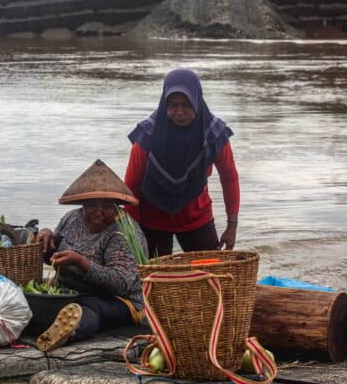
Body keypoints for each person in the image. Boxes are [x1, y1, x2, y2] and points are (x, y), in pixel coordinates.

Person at [124, 68, 239, 257]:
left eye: (186, 105)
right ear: (164, 103)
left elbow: (229, 178)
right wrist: (133, 232)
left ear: (197, 101)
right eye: (173, 105)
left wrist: (231, 226)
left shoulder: (214, 134)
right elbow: (131, 188)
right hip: (151, 219)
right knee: (154, 274)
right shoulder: (147, 135)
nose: (179, 112)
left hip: (196, 217)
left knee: (210, 271)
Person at [34, 159, 147, 352]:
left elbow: (121, 283)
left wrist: (81, 262)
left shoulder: (124, 231)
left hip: (118, 301)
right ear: (83, 206)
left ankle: (69, 331)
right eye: (92, 205)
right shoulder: (72, 218)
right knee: (39, 297)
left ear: (117, 207)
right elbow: (53, 257)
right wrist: (45, 238)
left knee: (90, 307)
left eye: (107, 206)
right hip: (73, 292)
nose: (99, 212)